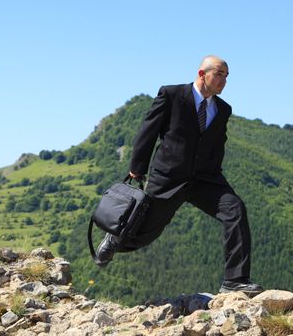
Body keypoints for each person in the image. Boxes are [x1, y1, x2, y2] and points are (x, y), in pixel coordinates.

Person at [96, 55, 263, 296]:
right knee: (145, 232)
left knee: (235, 209)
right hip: (169, 177)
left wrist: (216, 172)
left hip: (206, 179)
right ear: (201, 74)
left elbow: (218, 142)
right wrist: (138, 167)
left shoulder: (223, 109)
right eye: (219, 74)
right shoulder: (172, 95)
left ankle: (235, 280)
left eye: (227, 76)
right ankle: (114, 241)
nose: (224, 80)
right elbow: (149, 130)